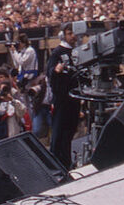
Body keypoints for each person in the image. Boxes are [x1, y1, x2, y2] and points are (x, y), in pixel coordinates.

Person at [47, 24, 80, 168]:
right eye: (69, 33)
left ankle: (66, 163)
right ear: (63, 35)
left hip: (74, 99)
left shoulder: (77, 51)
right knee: (59, 133)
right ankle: (55, 164)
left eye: (74, 33)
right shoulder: (57, 52)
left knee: (70, 131)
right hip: (62, 100)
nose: (73, 36)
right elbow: (50, 74)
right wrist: (56, 71)